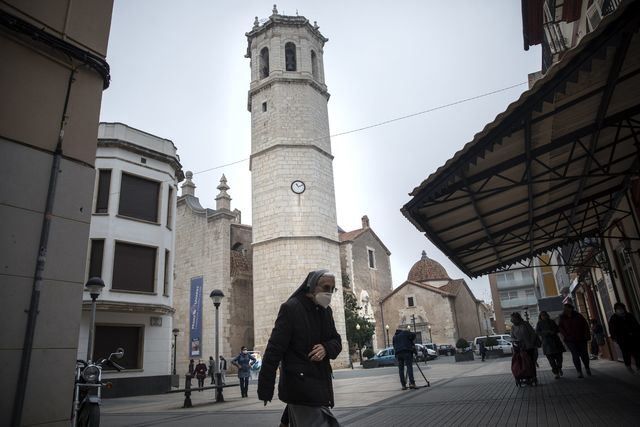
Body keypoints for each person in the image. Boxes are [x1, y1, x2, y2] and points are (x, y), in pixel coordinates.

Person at [258, 270, 342, 426]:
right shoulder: (291, 309)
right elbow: (274, 350)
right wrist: (265, 388)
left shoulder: (326, 311)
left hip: (320, 386)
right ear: (311, 287)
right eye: (325, 287)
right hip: (300, 387)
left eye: (332, 289)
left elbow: (336, 341)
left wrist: (326, 348)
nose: (329, 293)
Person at [558, 303, 591, 378]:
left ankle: (587, 367)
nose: (565, 310)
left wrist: (587, 336)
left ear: (571, 308)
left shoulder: (578, 316)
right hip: (570, 340)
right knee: (575, 355)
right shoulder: (562, 318)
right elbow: (560, 328)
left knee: (584, 355)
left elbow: (585, 325)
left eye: (567, 308)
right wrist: (566, 335)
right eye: (564, 308)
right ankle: (579, 371)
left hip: (581, 339)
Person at [608, 302, 640, 373]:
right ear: (615, 310)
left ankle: (638, 366)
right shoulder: (614, 318)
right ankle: (628, 366)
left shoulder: (629, 316)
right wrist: (615, 338)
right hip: (622, 339)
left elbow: (636, 325)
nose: (620, 310)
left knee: (636, 352)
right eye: (618, 309)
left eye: (621, 308)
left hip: (633, 337)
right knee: (626, 353)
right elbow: (612, 329)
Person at [536, 311, 565, 379]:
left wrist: (553, 331)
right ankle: (556, 373)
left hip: (556, 342)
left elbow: (558, 329)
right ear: (540, 317)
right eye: (542, 316)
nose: (544, 317)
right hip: (547, 344)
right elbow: (537, 332)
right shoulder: (539, 323)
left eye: (545, 315)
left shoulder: (552, 321)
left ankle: (559, 368)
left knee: (559, 358)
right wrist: (546, 332)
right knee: (551, 360)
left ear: (547, 315)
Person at [510, 312, 539, 379]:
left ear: (518, 318)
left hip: (529, 346)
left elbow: (532, 333)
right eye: (512, 319)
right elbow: (512, 337)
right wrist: (515, 340)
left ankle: (533, 376)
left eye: (514, 318)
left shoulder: (525, 324)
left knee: (531, 362)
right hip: (519, 347)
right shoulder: (513, 327)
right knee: (523, 362)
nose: (513, 320)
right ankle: (525, 375)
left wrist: (531, 342)